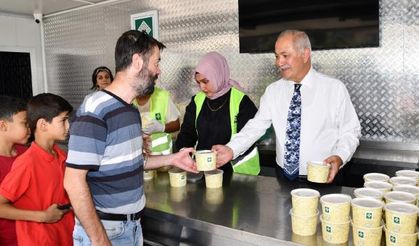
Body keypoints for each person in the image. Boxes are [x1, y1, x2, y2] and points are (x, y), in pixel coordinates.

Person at [64, 30, 197, 246]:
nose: (159, 70)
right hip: (105, 230)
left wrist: (172, 159)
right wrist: (100, 240)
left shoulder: (130, 110)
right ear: (137, 61)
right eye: (156, 62)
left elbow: (135, 161)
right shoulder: (95, 109)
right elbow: (73, 181)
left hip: (132, 227)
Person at [213, 30, 361, 183]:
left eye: (285, 55)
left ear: (305, 54)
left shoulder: (334, 89)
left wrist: (340, 156)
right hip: (284, 177)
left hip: (325, 177)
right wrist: (231, 149)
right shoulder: (273, 91)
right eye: (277, 56)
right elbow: (255, 126)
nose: (279, 62)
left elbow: (350, 130)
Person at [0, 93, 74, 246]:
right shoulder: (27, 162)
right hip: (36, 239)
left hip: (65, 236)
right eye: (63, 121)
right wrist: (42, 216)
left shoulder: (61, 155)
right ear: (43, 125)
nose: (68, 126)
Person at [176, 52, 260, 176]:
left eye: (205, 81)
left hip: (237, 173)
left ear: (218, 75)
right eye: (199, 83)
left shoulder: (241, 102)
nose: (202, 87)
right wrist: (183, 152)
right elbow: (187, 133)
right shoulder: (197, 101)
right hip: (204, 170)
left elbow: (249, 136)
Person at [0, 96, 29, 246]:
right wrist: (42, 216)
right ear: (3, 125)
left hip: (32, 237)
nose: (29, 129)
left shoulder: (28, 154)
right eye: (24, 123)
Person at [132, 85, 181, 155]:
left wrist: (162, 128)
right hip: (137, 158)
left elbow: (176, 125)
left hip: (163, 158)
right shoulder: (126, 98)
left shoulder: (162, 96)